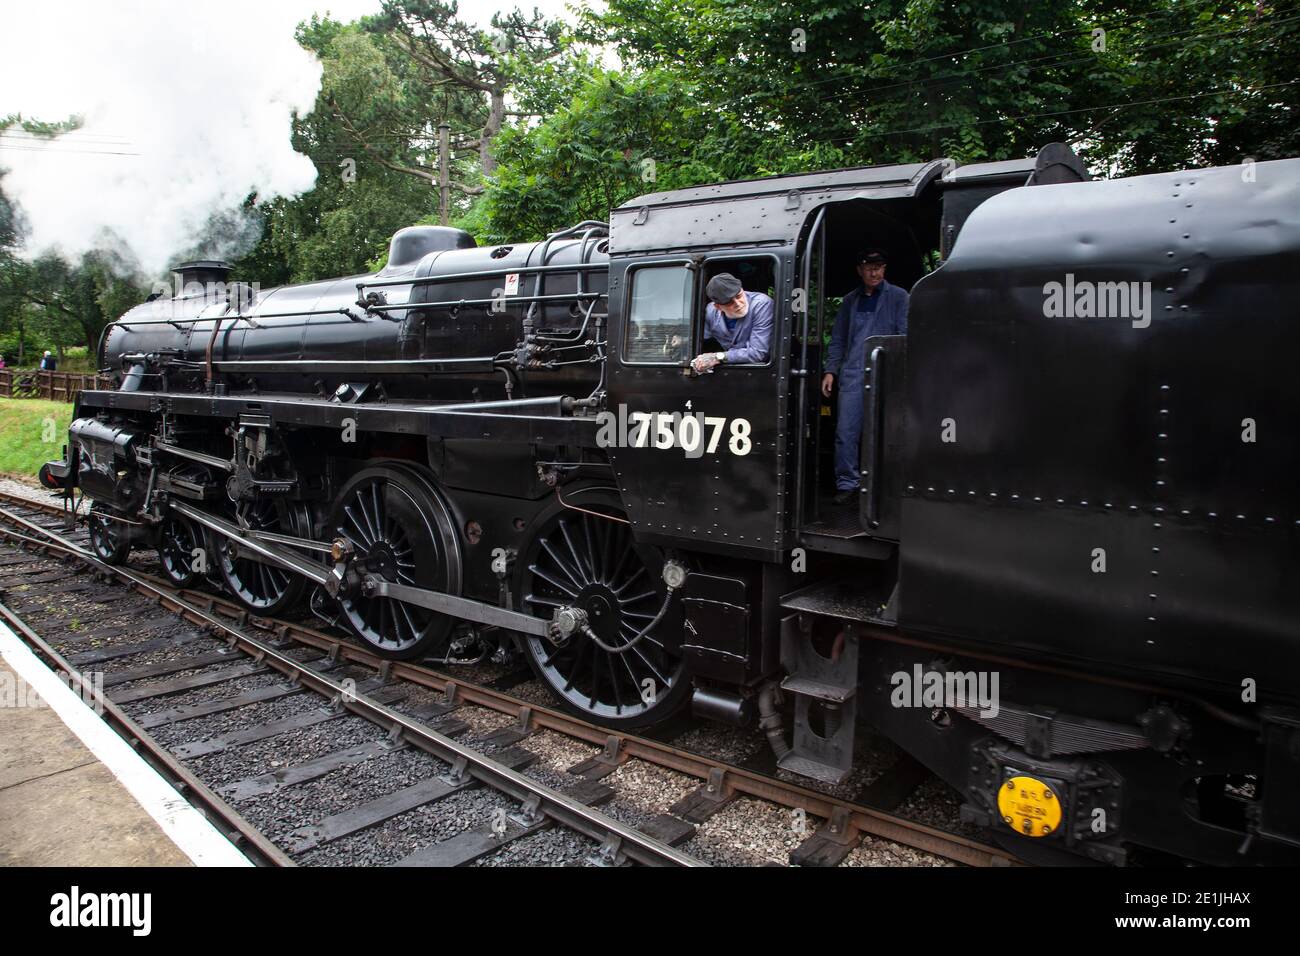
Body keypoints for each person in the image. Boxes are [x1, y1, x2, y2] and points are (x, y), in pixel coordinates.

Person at [822, 249, 909, 505]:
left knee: (887, 432)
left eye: (879, 266)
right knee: (846, 432)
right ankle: (848, 483)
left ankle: (884, 485)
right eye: (869, 267)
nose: (875, 272)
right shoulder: (850, 300)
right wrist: (830, 370)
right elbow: (838, 339)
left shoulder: (899, 297)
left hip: (887, 373)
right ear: (859, 270)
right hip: (852, 373)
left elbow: (905, 336)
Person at [690, 272, 773, 373]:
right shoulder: (710, 312)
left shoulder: (761, 304)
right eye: (729, 302)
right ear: (718, 307)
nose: (738, 304)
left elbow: (758, 353)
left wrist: (718, 357)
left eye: (739, 296)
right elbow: (703, 338)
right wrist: (683, 340)